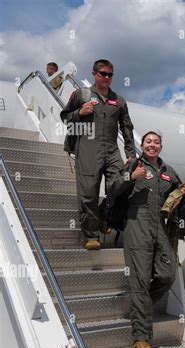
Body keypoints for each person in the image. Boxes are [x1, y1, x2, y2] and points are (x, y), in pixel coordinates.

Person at [112, 131, 185, 348]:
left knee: (167, 275)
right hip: (137, 227)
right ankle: (140, 340)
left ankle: (140, 306)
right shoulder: (134, 164)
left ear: (161, 146)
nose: (152, 145)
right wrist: (131, 177)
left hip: (161, 228)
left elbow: (175, 196)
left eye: (156, 142)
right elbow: (114, 188)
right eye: (148, 142)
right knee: (139, 281)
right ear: (142, 145)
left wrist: (183, 192)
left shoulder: (168, 171)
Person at [60, 59, 135, 250]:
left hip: (111, 148)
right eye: (103, 74)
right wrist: (79, 112)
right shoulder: (81, 95)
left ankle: (103, 214)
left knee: (122, 185)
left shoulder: (119, 100)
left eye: (110, 74)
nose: (107, 78)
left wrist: (131, 154)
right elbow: (65, 118)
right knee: (88, 194)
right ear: (94, 74)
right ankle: (91, 236)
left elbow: (127, 128)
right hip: (87, 147)